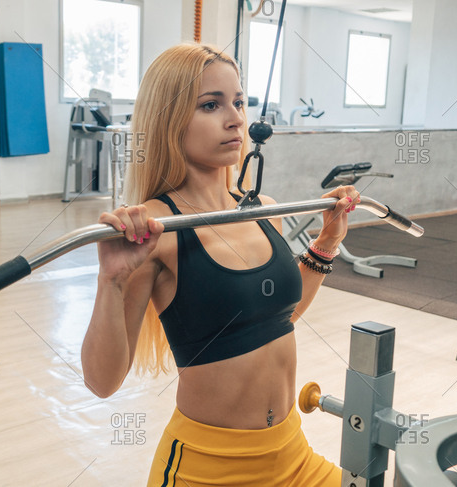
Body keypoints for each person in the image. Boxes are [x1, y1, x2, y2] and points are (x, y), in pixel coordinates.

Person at [81, 43, 360, 486]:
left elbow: (273, 317)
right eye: (211, 105)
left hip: (292, 456)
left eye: (239, 102)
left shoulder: (262, 207)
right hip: (208, 469)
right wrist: (110, 281)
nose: (235, 118)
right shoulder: (157, 230)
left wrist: (327, 242)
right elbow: (102, 381)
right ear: (169, 120)